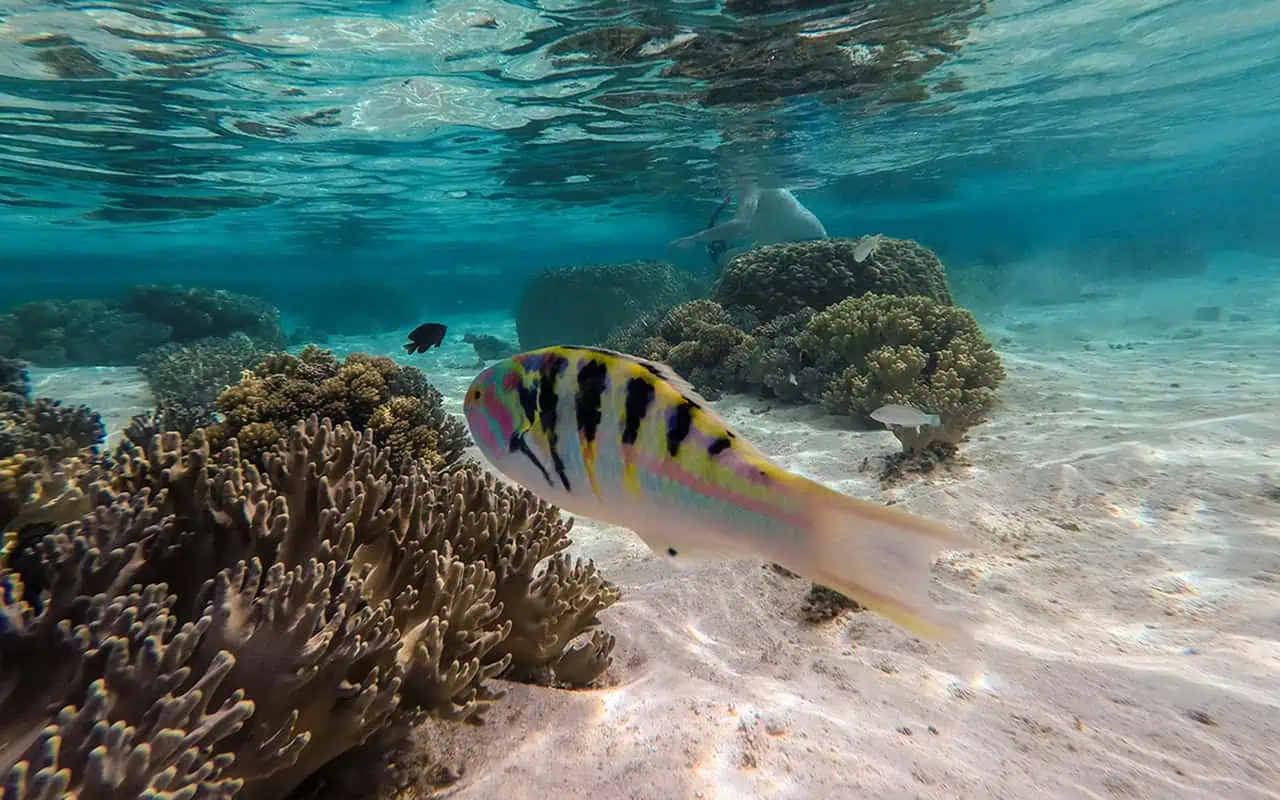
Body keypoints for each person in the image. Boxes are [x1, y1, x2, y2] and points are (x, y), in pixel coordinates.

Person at [667, 182, 828, 265]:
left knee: (731, 260)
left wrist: (694, 238)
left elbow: (741, 223)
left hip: (808, 245)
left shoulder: (751, 186)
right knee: (730, 257)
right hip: (803, 242)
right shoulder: (751, 189)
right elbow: (763, 226)